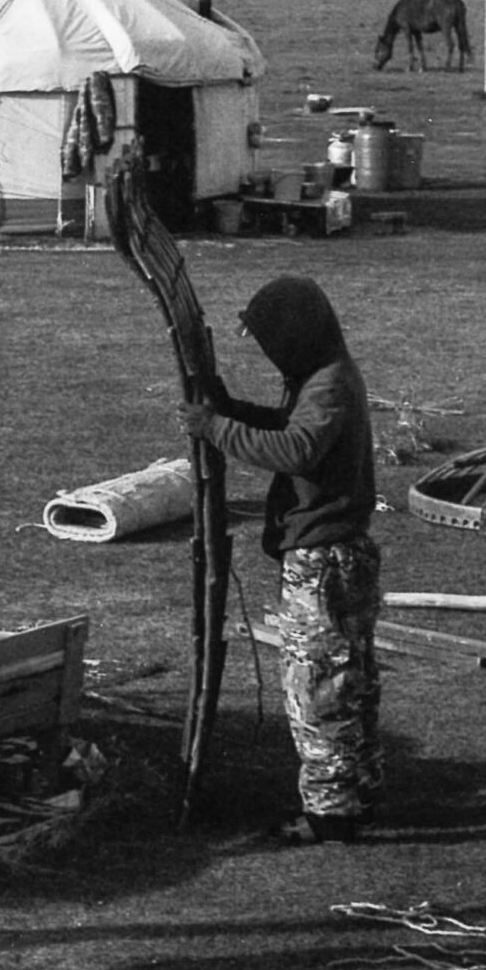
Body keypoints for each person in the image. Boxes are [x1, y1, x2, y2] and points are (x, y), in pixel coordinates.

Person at [177, 275, 381, 842]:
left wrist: (216, 428)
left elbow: (297, 448)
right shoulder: (322, 375)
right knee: (349, 681)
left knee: (319, 686)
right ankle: (356, 790)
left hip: (325, 560)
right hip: (339, 553)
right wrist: (233, 410)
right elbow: (289, 428)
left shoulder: (329, 386)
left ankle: (330, 814)